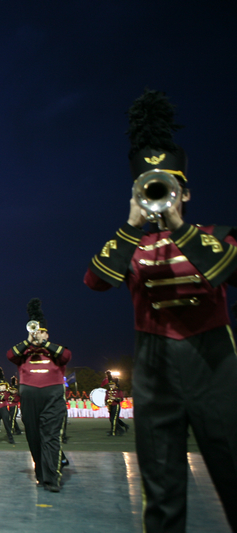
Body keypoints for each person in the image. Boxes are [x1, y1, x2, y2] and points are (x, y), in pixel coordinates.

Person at [84, 89, 237, 532]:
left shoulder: (216, 235)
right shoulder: (133, 246)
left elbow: (227, 268)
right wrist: (132, 224)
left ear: (184, 189)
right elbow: (96, 280)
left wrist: (177, 224)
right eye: (148, 186)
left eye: (168, 185)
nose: (160, 193)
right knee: (162, 492)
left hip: (215, 364)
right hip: (155, 369)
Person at [6, 299, 71, 492]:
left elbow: (66, 356)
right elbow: (10, 354)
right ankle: (41, 474)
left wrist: (44, 343)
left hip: (53, 398)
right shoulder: (24, 352)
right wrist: (29, 341)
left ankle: (52, 478)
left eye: (41, 331)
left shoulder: (55, 350)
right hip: (29, 399)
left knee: (50, 437)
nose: (37, 334)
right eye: (34, 331)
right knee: (34, 437)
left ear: (47, 333)